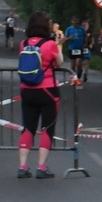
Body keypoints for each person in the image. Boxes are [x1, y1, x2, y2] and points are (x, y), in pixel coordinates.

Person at [17, 11, 65, 179]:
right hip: (48, 90)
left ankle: (22, 166)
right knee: (47, 127)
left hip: (27, 90)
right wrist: (59, 45)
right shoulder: (49, 44)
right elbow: (59, 63)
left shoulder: (23, 44)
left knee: (28, 127)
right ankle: (41, 167)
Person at [64, 16, 86, 81]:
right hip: (72, 48)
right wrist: (69, 38)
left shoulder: (81, 29)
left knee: (78, 63)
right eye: (74, 20)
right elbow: (65, 39)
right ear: (71, 21)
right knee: (73, 65)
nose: (75, 22)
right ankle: (73, 78)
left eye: (76, 20)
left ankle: (78, 77)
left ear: (78, 21)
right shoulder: (69, 29)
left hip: (79, 48)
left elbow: (86, 37)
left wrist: (85, 44)